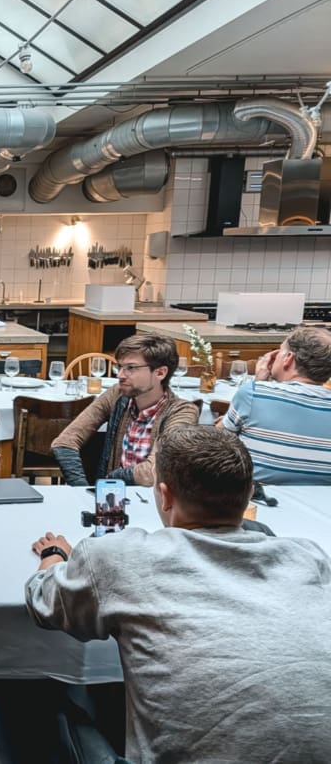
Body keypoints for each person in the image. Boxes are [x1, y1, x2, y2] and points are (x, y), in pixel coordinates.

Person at [26, 426, 331, 761]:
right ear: (247, 498)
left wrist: (53, 554)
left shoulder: (118, 557)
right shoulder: (308, 557)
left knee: (48, 699)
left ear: (166, 495)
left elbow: (43, 603)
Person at [51, 333, 198, 486]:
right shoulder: (117, 394)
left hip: (155, 503)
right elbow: (64, 442)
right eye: (119, 367)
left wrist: (112, 478)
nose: (120, 375)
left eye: (131, 368)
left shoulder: (182, 412)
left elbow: (153, 472)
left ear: (160, 373)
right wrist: (83, 489)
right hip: (113, 499)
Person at [220, 326, 331, 485]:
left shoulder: (254, 393)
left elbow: (219, 444)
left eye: (279, 351)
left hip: (257, 500)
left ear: (288, 358)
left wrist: (259, 381)